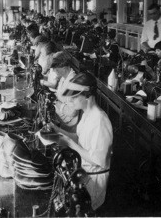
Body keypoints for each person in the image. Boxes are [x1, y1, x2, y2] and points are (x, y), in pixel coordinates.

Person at [49, 72, 113, 210]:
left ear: (88, 96)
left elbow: (97, 160)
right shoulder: (87, 114)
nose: (69, 101)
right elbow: (79, 138)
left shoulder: (100, 121)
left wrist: (69, 143)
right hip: (83, 175)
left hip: (93, 183)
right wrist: (57, 131)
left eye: (74, 97)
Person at [49, 51, 79, 132]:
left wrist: (55, 101)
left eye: (56, 68)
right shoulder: (64, 77)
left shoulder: (73, 83)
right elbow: (61, 96)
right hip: (59, 116)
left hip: (67, 124)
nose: (54, 70)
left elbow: (72, 112)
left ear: (64, 67)